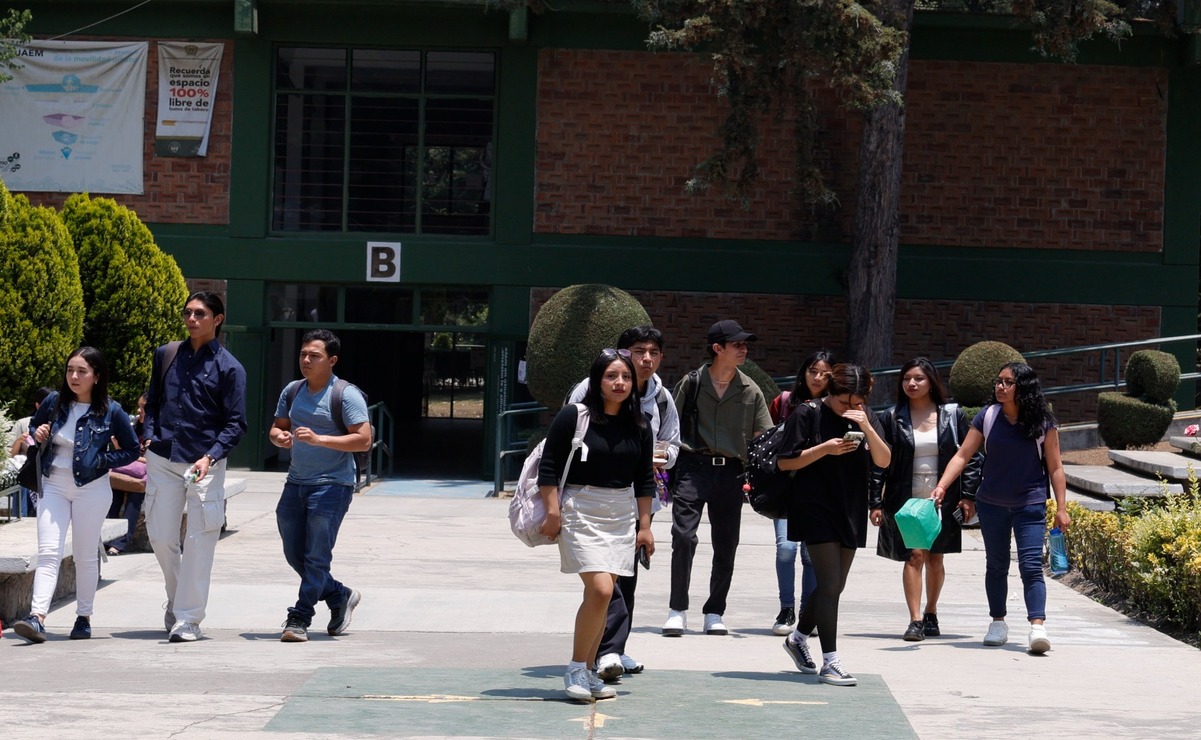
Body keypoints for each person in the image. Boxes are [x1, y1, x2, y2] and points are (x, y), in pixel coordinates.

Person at [539, 349, 655, 702]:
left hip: (621, 512)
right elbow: (550, 465)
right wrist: (553, 510)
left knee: (600, 598)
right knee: (602, 590)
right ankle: (576, 667)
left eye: (625, 377)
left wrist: (645, 526)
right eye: (611, 376)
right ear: (597, 380)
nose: (619, 383)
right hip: (580, 507)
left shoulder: (640, 424)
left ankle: (588, 671)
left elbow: (645, 479)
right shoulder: (575, 416)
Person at [931, 361, 1070, 654]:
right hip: (991, 504)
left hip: (1029, 504)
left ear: (1024, 388)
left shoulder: (1043, 423)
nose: (1000, 387)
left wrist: (1061, 507)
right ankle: (998, 622)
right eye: (998, 382)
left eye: (1007, 382)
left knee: (1031, 566)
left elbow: (1056, 467)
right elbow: (963, 455)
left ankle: (1037, 627)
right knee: (996, 565)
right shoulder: (988, 416)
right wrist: (942, 485)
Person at [566, 326, 680, 682]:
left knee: (623, 580)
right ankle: (598, 654)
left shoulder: (660, 399)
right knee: (603, 586)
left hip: (635, 503)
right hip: (586, 503)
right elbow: (565, 444)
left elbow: (672, 444)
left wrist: (664, 457)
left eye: (653, 352)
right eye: (638, 351)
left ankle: (611, 649)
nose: (646, 358)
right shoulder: (586, 392)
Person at [11, 347, 140, 644]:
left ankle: (83, 617)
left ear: (96, 376)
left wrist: (101, 461)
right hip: (53, 484)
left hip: (91, 489)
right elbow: (35, 426)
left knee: (84, 555)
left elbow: (132, 450)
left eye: (82, 371)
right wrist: (39, 431)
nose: (74, 376)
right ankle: (37, 617)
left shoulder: (112, 410)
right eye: (70, 369)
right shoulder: (54, 403)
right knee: (48, 552)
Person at [143, 291, 248, 643]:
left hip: (205, 462)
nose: (191, 319)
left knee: (200, 539)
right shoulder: (166, 354)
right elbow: (152, 401)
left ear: (217, 319)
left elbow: (236, 423)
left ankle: (188, 619)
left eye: (200, 313)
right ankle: (177, 599)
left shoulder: (231, 368)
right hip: (162, 456)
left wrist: (211, 456)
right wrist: (148, 436)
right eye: (187, 312)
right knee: (159, 536)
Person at [778, 364, 891, 686]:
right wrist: (825, 449)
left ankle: (797, 637)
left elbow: (884, 460)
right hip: (814, 505)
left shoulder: (865, 416)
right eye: (844, 403)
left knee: (833, 585)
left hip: (850, 506)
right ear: (830, 392)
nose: (850, 409)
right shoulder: (807, 413)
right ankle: (831, 661)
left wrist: (867, 426)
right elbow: (786, 461)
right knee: (829, 584)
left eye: (857, 403)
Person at [664, 320, 773, 637]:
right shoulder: (692, 382)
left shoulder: (750, 389)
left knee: (726, 545)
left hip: (731, 472)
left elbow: (763, 437)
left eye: (745, 343)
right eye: (737, 344)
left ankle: (714, 611)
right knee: (683, 537)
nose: (744, 349)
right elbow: (671, 425)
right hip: (693, 467)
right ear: (717, 348)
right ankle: (677, 610)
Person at [268, 329, 371, 642]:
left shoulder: (345, 394)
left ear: (332, 360)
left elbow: (363, 438)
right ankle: (339, 594)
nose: (306, 360)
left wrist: (319, 438)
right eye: (303, 354)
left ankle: (299, 616)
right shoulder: (293, 390)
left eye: (315, 356)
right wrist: (278, 437)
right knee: (293, 551)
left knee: (316, 556)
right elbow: (277, 427)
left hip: (332, 485)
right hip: (296, 481)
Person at [869, 358, 980, 641]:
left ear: (931, 382)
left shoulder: (952, 415)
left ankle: (931, 611)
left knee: (935, 558)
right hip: (905, 498)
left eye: (918, 378)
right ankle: (915, 620)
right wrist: (875, 502)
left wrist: (967, 496)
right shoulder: (892, 417)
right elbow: (879, 462)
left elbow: (971, 457)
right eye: (907, 378)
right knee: (914, 555)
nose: (912, 384)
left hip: (942, 497)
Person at [765, 350, 833, 636]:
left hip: (820, 490)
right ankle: (786, 608)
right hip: (786, 488)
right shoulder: (784, 402)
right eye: (812, 371)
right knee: (786, 549)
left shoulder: (835, 405)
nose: (817, 378)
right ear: (803, 372)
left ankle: (808, 612)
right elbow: (765, 442)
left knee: (810, 555)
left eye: (825, 373)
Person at [107, 394, 149, 555]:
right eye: (139, 406)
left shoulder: (158, 429)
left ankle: (119, 543)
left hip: (146, 475)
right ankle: (108, 538)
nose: (139, 411)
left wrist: (136, 457)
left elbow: (154, 460)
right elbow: (125, 452)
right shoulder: (133, 426)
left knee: (134, 499)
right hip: (125, 470)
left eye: (143, 407)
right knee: (113, 497)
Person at [8, 386, 54, 516]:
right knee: (24, 480)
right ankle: (22, 516)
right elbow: (10, 454)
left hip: (49, 470)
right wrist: (19, 441)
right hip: (27, 469)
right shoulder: (23, 423)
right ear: (38, 405)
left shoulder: (59, 424)